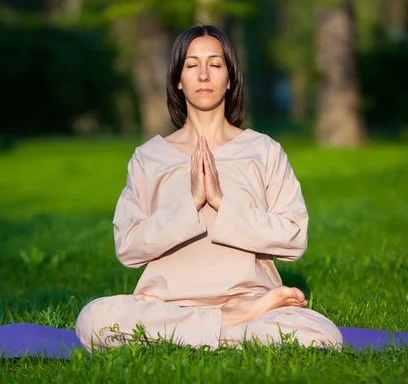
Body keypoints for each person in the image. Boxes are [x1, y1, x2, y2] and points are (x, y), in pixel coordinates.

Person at [76, 25, 343, 351]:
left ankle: (190, 335)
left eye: (215, 65)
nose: (203, 75)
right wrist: (189, 204)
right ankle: (230, 324)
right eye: (192, 65)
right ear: (178, 78)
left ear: (230, 79)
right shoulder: (149, 157)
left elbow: (294, 237)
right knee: (93, 320)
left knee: (322, 335)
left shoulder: (263, 150)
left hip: (248, 296)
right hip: (169, 305)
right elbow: (128, 247)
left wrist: (219, 201)